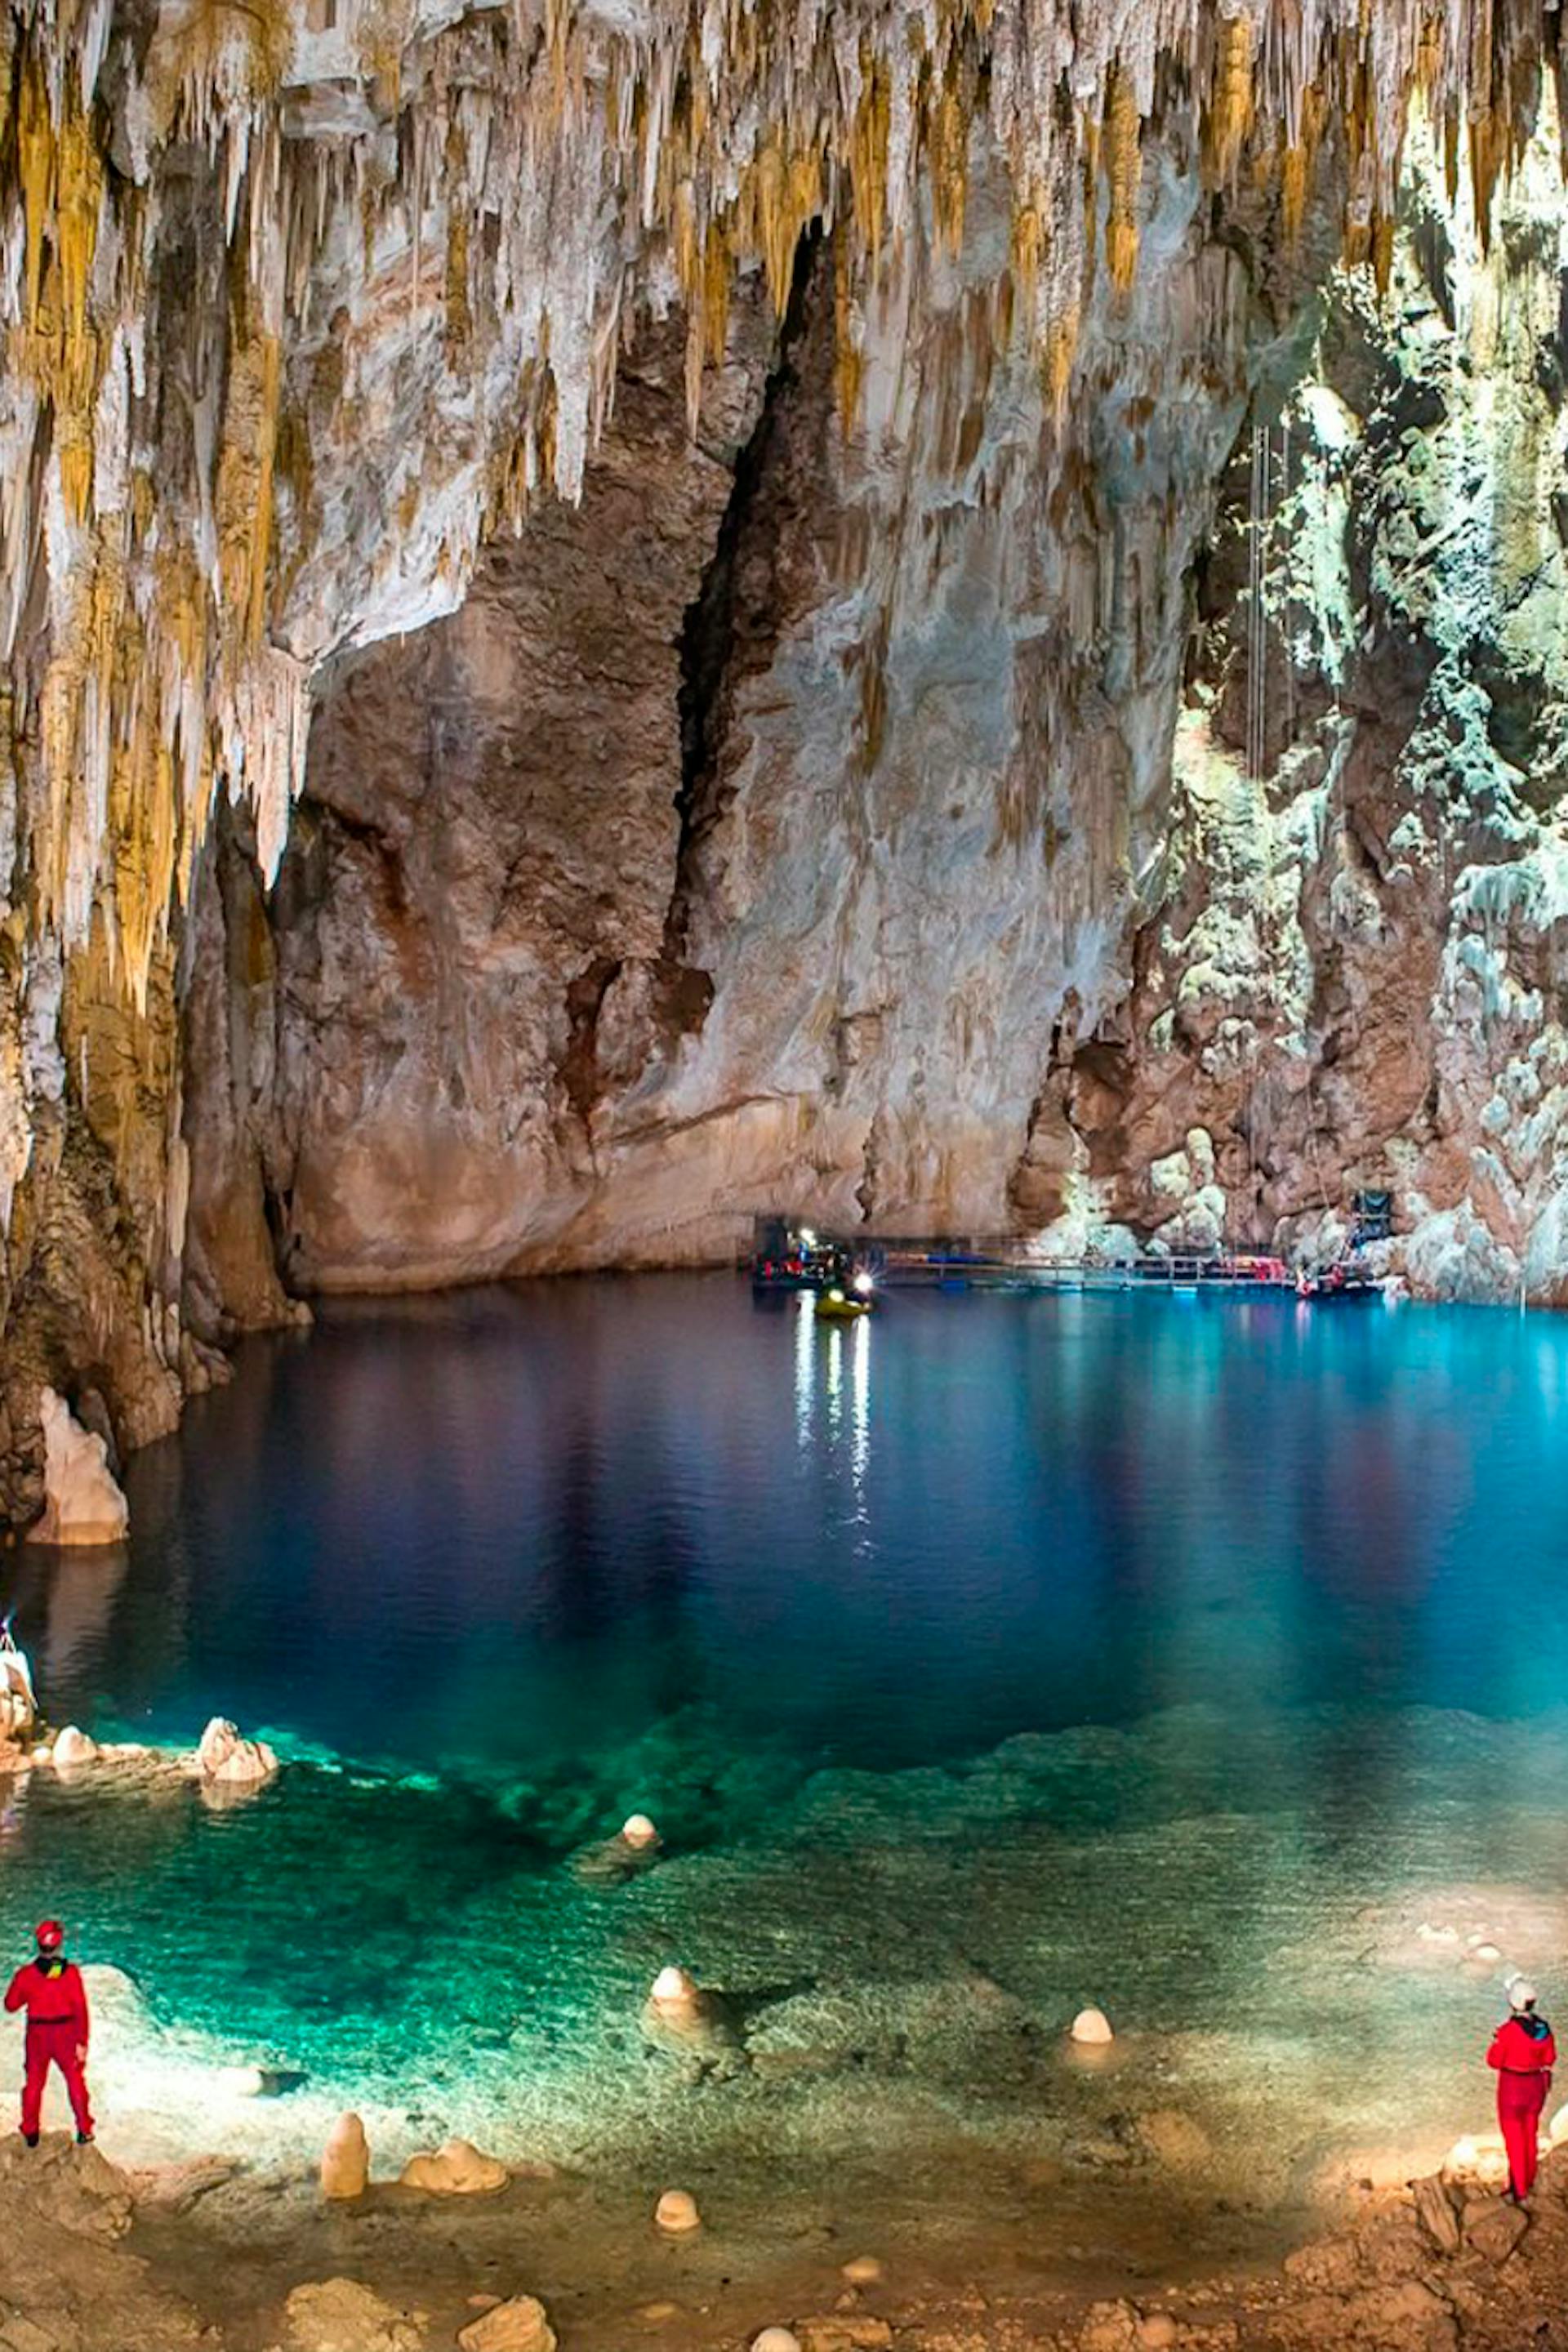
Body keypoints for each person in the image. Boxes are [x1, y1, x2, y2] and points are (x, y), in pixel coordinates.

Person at [4, 1920, 93, 2145]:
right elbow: (80, 2009)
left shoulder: (26, 1975)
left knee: (34, 2084)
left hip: (37, 2034)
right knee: (74, 2081)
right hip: (65, 2033)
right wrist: (82, 2041)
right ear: (59, 1944)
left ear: (38, 1944)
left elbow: (11, 2004)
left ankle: (31, 2131)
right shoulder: (70, 1973)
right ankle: (84, 2129)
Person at [1486, 1976, 1555, 2204]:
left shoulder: (1506, 2031)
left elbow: (1494, 2061)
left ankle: (1520, 2191)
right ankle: (1528, 2179)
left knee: (1514, 2140)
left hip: (1512, 2089)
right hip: (1536, 2088)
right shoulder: (1543, 2029)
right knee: (1529, 2134)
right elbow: (1550, 2058)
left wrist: (1496, 2041)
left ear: (1512, 2003)